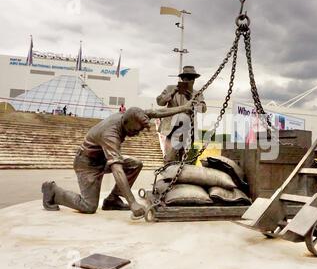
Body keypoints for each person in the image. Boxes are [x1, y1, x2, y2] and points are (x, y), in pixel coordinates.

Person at [41, 101, 196, 218]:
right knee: (88, 206)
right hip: (87, 165)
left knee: (135, 164)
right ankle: (53, 192)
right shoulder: (111, 134)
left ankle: (113, 199)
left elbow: (157, 111)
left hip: (101, 159)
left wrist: (183, 108)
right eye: (134, 131)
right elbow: (117, 169)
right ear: (126, 123)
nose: (136, 134)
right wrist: (132, 202)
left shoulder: (130, 115)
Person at [157, 65, 207, 163]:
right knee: (169, 158)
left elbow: (203, 109)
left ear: (194, 80)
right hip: (171, 129)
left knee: (185, 161)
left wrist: (193, 99)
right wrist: (172, 93)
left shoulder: (197, 94)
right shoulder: (170, 88)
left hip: (187, 130)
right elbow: (160, 102)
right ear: (181, 78)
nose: (188, 81)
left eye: (191, 78)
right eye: (186, 78)